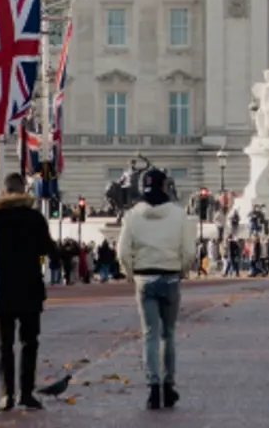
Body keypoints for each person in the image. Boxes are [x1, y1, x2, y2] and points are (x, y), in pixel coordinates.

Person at [0, 173, 56, 411]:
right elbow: (47, 248)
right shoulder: (34, 218)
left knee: (4, 345)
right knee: (29, 342)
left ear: (3, 190)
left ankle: (6, 394)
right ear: (23, 191)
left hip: (1, 288)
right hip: (29, 286)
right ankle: (26, 393)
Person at [118, 168, 195, 410]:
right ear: (165, 186)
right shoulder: (178, 214)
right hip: (170, 276)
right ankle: (168, 385)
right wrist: (181, 270)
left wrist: (131, 272)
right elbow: (189, 251)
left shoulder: (132, 215)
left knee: (149, 335)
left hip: (144, 278)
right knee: (168, 334)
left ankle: (153, 388)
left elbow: (122, 251)